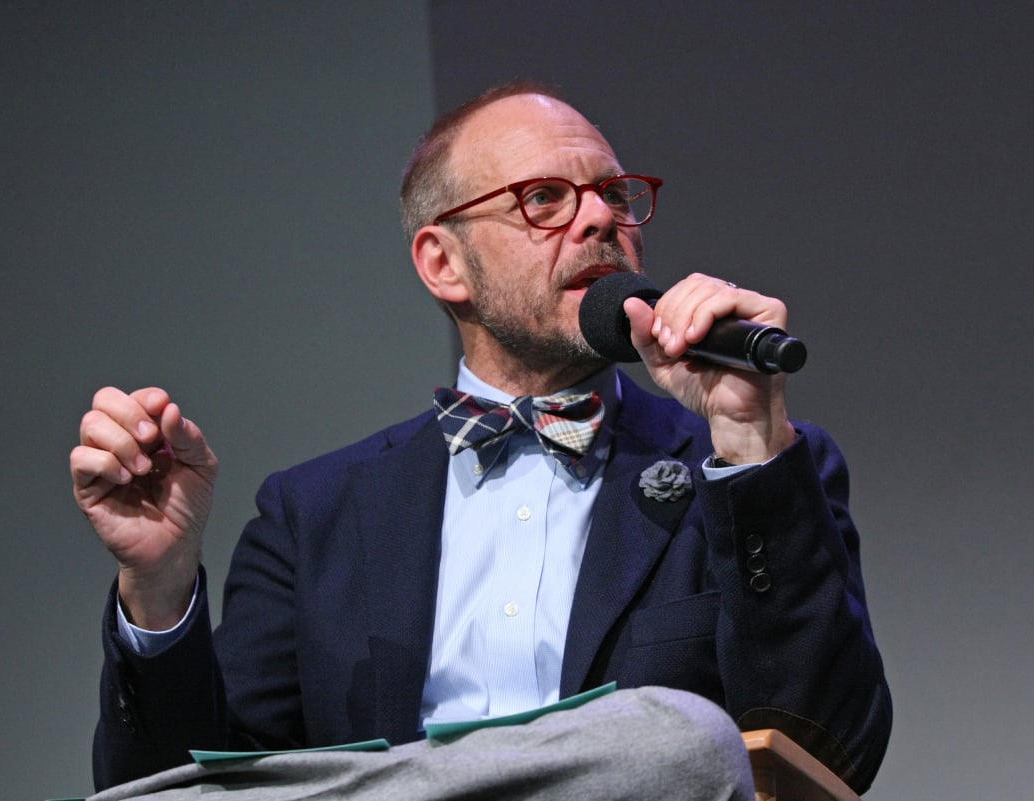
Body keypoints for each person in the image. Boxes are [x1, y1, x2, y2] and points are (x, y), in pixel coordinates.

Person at [72, 82, 891, 799]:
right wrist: (158, 583)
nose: (600, 217)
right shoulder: (314, 511)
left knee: (675, 739)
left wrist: (747, 442)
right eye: (544, 198)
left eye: (613, 193)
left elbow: (828, 749)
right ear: (443, 263)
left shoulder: (759, 468)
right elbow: (177, 784)